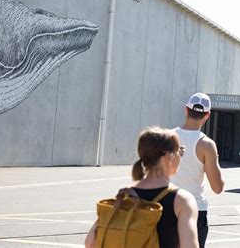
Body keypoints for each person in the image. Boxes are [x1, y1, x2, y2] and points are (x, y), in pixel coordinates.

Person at [85, 126, 199, 248]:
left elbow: (90, 242)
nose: (180, 157)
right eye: (180, 152)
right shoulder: (182, 200)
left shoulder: (125, 194)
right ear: (168, 156)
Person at [171, 93, 225, 248]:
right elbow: (218, 187)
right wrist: (216, 162)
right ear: (207, 115)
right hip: (195, 211)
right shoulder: (207, 145)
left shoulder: (167, 137)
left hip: (167, 207)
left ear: (186, 110)